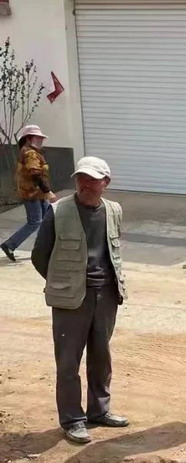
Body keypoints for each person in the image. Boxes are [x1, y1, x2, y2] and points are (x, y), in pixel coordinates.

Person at [31, 156, 128, 444]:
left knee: (101, 357)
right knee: (68, 362)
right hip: (70, 300)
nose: (85, 184)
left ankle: (99, 410)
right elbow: (39, 255)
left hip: (106, 296)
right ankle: (73, 420)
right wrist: (65, 282)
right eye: (81, 178)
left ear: (105, 183)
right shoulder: (58, 211)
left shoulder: (113, 210)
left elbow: (113, 250)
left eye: (92, 179)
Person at [1, 125, 57, 262]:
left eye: (41, 138)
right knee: (35, 222)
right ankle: (10, 245)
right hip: (32, 194)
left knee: (46, 221)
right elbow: (35, 173)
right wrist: (48, 191)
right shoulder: (30, 153)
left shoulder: (32, 152)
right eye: (37, 138)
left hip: (38, 194)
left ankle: (47, 248)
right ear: (28, 138)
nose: (40, 140)